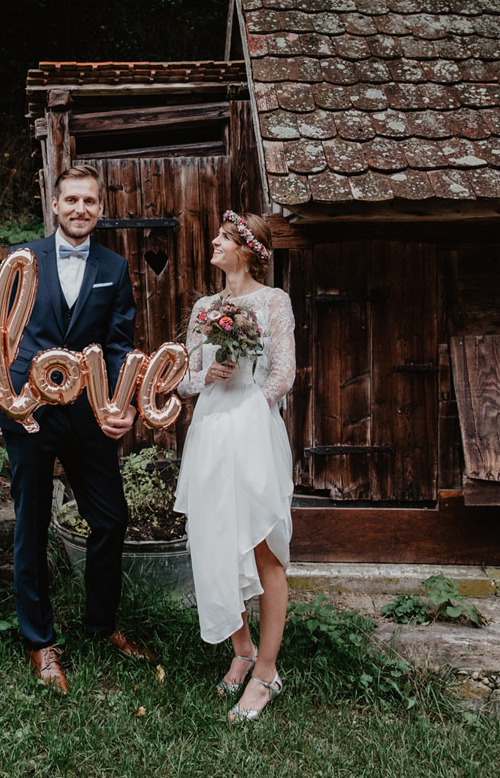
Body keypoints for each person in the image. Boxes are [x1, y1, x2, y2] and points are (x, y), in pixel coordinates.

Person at [0, 164, 151, 693]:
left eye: (89, 202)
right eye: (71, 200)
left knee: (111, 519)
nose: (80, 209)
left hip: (90, 413)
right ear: (54, 204)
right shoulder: (22, 258)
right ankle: (39, 642)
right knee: (30, 523)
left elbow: (119, 345)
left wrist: (127, 404)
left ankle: (101, 624)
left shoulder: (114, 268)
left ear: (100, 208)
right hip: (28, 409)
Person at [173, 210, 295, 721]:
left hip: (252, 431)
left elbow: (284, 373)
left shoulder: (273, 302)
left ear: (247, 249)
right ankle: (241, 651)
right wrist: (211, 378)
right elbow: (183, 379)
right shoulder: (205, 306)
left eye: (225, 237)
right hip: (209, 433)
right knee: (214, 540)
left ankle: (267, 672)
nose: (216, 243)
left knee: (262, 547)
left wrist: (248, 412)